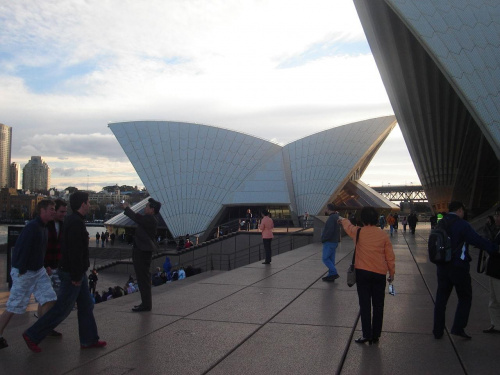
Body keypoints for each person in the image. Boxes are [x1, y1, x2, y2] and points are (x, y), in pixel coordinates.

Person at [23, 191, 107, 353]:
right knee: (62, 309)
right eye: (88, 202)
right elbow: (74, 251)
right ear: (83, 204)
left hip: (76, 272)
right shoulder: (75, 223)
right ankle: (32, 334)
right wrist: (76, 275)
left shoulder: (73, 221)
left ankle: (89, 340)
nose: (90, 205)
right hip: (72, 273)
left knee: (86, 305)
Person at [433, 201, 499, 340]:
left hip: (442, 267)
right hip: (459, 267)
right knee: (465, 297)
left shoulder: (441, 223)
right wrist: (493, 248)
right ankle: (458, 327)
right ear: (459, 210)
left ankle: (437, 330)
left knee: (441, 299)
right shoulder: (462, 225)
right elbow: (477, 240)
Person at [0, 200, 57, 350]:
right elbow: (21, 250)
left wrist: (44, 266)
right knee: (14, 306)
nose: (54, 211)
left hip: (38, 271)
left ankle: (37, 331)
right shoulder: (32, 228)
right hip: (24, 272)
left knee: (49, 298)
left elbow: (39, 251)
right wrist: (21, 272)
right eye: (51, 209)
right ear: (42, 211)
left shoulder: (44, 228)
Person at [339, 207, 395, 344]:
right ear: (376, 219)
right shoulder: (383, 235)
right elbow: (390, 256)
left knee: (364, 305)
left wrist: (342, 219)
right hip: (379, 274)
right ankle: (376, 335)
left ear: (362, 219)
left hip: (363, 273)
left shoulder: (358, 232)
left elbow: (348, 226)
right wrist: (391, 273)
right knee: (378, 305)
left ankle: (366, 334)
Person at [123, 198, 161, 312]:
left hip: (142, 252)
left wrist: (126, 208)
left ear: (152, 209)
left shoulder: (150, 219)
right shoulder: (150, 218)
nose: (145, 208)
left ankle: (146, 305)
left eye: (147, 206)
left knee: (143, 279)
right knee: (142, 279)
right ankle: (145, 304)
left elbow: (136, 217)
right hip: (141, 251)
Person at [37, 198, 68, 337]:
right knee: (49, 298)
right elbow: (40, 247)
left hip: (57, 265)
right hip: (46, 267)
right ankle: (44, 327)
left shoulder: (62, 224)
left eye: (65, 212)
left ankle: (42, 325)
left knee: (49, 298)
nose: (63, 214)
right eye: (61, 211)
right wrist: (45, 265)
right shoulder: (45, 225)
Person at [483, 208, 500, 334]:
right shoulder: (497, 231)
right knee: (493, 300)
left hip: (498, 271)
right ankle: (496, 324)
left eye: (498, 216)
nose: (496, 218)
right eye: (496, 215)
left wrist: (490, 246)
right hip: (493, 270)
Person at [321, 204, 340, 282]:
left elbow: (330, 231)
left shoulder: (331, 218)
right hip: (334, 241)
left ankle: (334, 272)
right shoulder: (336, 217)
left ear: (328, 209)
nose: (325, 209)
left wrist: (324, 239)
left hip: (329, 241)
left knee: (325, 258)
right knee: (331, 260)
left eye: (326, 208)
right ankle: (331, 275)